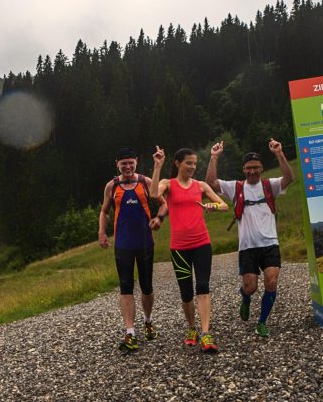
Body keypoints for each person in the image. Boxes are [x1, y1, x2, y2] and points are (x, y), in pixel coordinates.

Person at [205, 138, 294, 338]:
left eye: (256, 167)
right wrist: (213, 158)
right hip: (247, 247)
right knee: (251, 287)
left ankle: (262, 322)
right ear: (243, 169)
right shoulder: (235, 188)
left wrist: (279, 153)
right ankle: (245, 297)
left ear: (261, 168)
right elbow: (211, 182)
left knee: (271, 282)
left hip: (270, 243)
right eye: (248, 168)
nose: (252, 171)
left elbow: (289, 178)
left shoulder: (270, 185)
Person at [150, 146, 228, 353]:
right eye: (188, 163)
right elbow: (152, 194)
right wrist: (158, 166)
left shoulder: (201, 186)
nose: (193, 167)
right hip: (179, 248)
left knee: (203, 286)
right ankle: (192, 328)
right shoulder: (168, 184)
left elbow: (224, 205)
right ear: (177, 163)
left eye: (195, 163)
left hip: (202, 244)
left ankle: (205, 333)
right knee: (186, 292)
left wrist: (213, 207)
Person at [99, 147, 168, 353]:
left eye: (131, 163)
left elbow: (164, 204)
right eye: (123, 164)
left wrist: (159, 218)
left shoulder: (146, 182)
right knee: (125, 286)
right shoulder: (112, 186)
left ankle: (148, 321)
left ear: (136, 162)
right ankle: (130, 332)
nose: (127, 167)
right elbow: (104, 211)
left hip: (145, 243)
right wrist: (102, 232)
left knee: (146, 286)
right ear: (117, 165)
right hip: (123, 245)